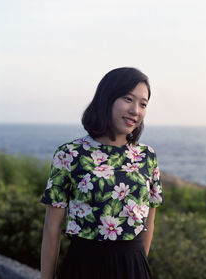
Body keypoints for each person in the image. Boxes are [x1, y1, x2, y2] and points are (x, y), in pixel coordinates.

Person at [40, 67, 164, 279]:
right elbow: (52, 228)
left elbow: (148, 222)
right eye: (127, 99)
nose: (135, 110)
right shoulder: (70, 154)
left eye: (143, 104)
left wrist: (137, 266)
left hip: (133, 267)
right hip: (84, 267)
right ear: (106, 98)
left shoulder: (147, 156)